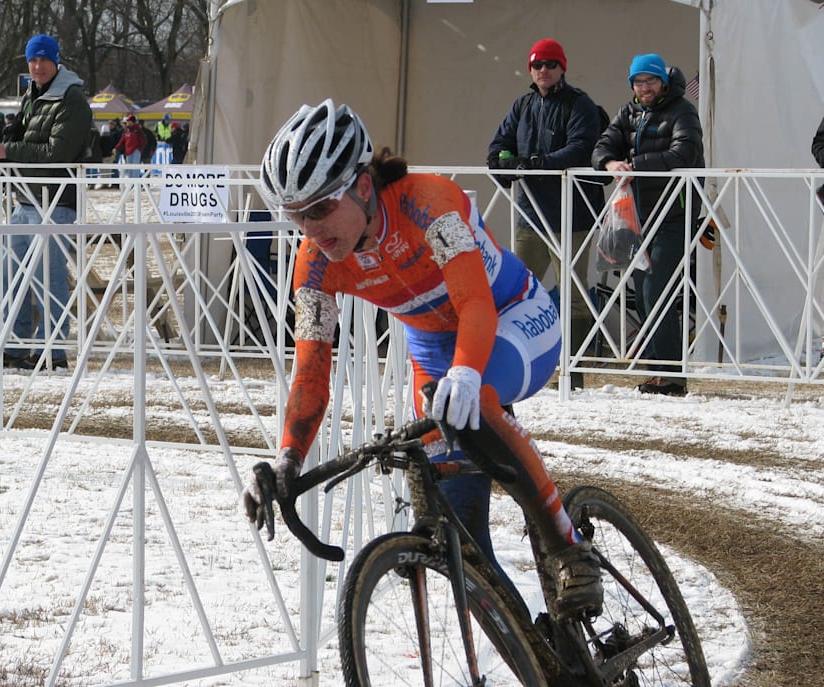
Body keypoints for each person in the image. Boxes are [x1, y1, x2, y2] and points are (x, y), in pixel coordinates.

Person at [242, 99, 603, 621]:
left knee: (473, 397)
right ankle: (544, 657)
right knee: (461, 542)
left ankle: (568, 547)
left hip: (512, 315)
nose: (311, 228)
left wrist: (465, 370)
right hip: (435, 353)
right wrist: (287, 459)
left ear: (363, 185)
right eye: (295, 215)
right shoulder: (314, 264)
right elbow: (311, 371)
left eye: (320, 208)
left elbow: (475, 303)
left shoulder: (431, 203)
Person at [488, 38, 604, 390]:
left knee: (574, 294)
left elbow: (581, 149)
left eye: (550, 64)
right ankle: (510, 364)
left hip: (574, 215)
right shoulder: (522, 105)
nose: (543, 71)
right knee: (515, 292)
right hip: (531, 215)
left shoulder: (579, 103)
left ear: (562, 68)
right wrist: (501, 165)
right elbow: (499, 145)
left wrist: (535, 164)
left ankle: (573, 371)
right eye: (537, 65)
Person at [0, 33, 92, 371]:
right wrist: (0, 145)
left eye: (43, 59)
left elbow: (58, 154)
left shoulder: (72, 100)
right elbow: (29, 143)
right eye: (33, 60)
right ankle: (15, 345)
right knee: (11, 274)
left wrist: (7, 151)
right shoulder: (33, 95)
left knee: (48, 277)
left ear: (56, 61)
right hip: (25, 198)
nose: (38, 65)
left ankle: (53, 350)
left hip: (56, 200)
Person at [592, 54, 705, 396]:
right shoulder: (629, 112)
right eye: (638, 82)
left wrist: (635, 165)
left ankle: (672, 375)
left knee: (657, 289)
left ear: (663, 83)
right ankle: (656, 368)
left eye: (650, 81)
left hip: (675, 213)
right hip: (637, 216)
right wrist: (610, 162)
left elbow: (684, 153)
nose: (644, 88)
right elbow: (602, 146)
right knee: (641, 290)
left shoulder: (683, 110)